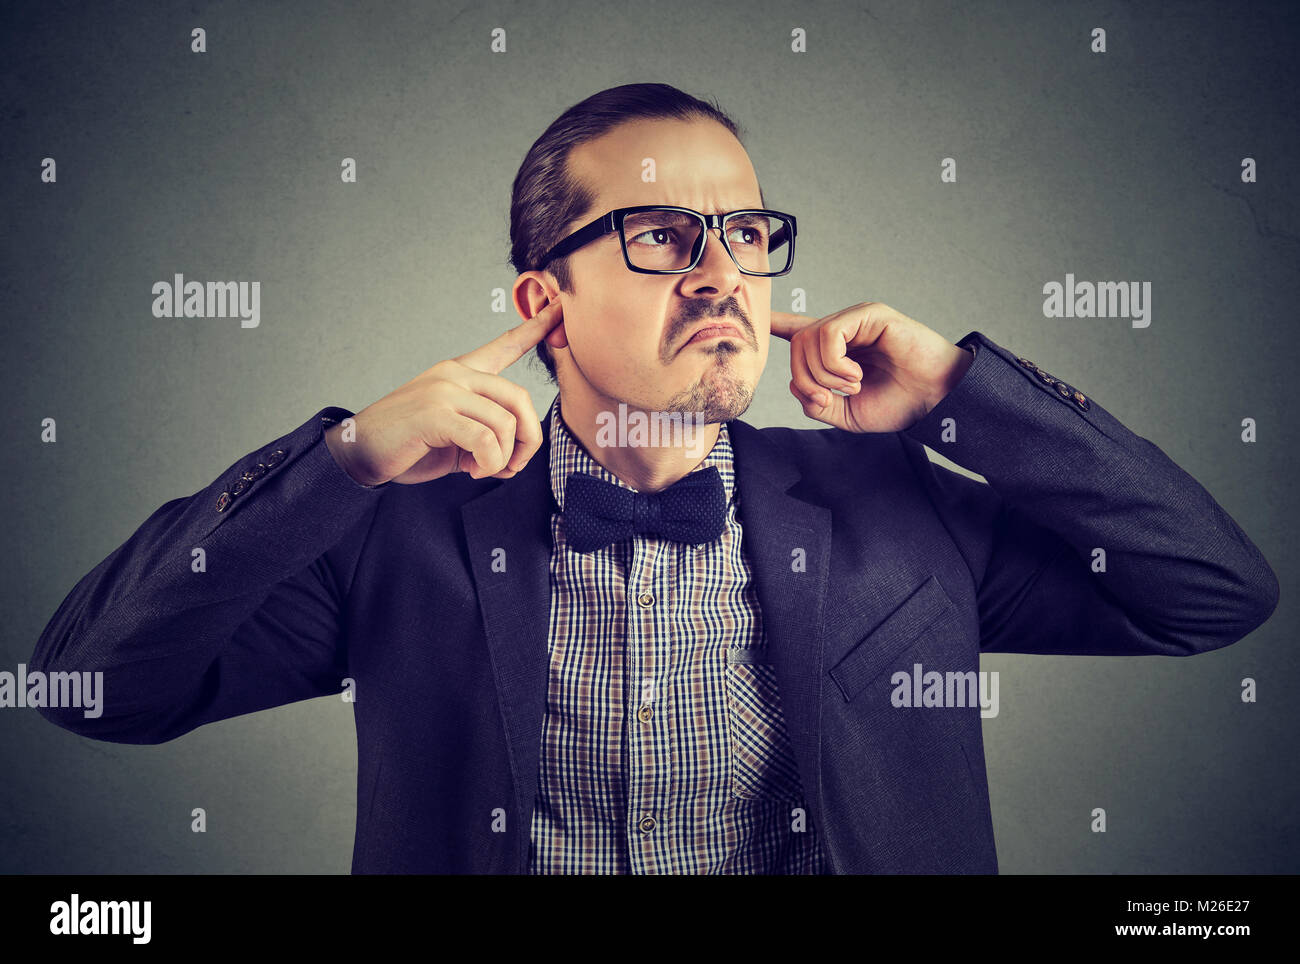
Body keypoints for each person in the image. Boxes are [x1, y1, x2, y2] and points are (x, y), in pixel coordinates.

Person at [31, 83, 1279, 874]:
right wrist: (345, 461)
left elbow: (1212, 593)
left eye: (743, 234)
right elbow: (92, 687)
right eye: (659, 236)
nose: (719, 273)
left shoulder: (896, 508)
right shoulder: (397, 535)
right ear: (544, 303)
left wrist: (963, 394)